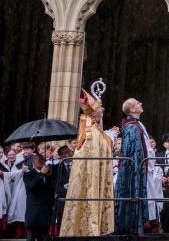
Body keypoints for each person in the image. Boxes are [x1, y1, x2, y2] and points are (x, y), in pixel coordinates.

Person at [59, 89, 115, 237]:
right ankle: (89, 226)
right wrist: (111, 138)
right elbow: (97, 148)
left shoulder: (94, 126)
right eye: (100, 109)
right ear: (94, 112)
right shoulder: (89, 129)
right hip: (90, 171)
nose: (102, 111)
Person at [114, 98, 150, 235]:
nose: (141, 103)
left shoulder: (137, 125)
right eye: (137, 103)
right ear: (133, 109)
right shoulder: (131, 127)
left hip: (140, 169)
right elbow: (132, 152)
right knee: (131, 196)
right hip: (133, 171)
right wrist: (137, 170)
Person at [21, 155, 55, 241]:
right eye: (39, 160)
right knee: (31, 238)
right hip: (33, 215)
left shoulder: (48, 174)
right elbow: (30, 187)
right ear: (33, 163)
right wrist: (41, 174)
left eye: (42, 160)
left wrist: (46, 173)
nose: (41, 162)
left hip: (45, 213)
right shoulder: (28, 174)